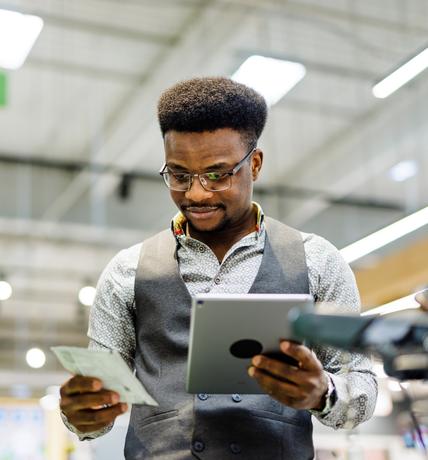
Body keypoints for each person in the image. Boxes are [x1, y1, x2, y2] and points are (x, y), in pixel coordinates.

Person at [59, 77, 377, 460]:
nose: (195, 193)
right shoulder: (127, 272)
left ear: (254, 164)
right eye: (178, 175)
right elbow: (97, 406)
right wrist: (81, 413)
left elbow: (361, 389)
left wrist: (322, 392)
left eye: (216, 174)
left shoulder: (318, 261)